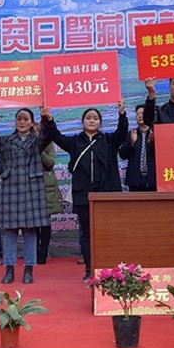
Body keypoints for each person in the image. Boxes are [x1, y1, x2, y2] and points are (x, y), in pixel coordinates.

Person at [42, 101, 128, 281]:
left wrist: (122, 114)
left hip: (106, 194)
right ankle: (89, 269)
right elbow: (57, 137)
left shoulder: (109, 140)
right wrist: (49, 119)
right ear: (83, 121)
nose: (92, 121)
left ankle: (110, 268)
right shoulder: (75, 141)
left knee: (107, 232)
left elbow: (122, 133)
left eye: (95, 118)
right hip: (83, 194)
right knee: (87, 232)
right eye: (88, 118)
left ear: (100, 122)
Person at [0, 104, 50, 285]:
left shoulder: (36, 141)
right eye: (19, 119)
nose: (22, 122)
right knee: (10, 233)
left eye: (26, 119)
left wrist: (46, 118)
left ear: (32, 123)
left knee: (30, 232)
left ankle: (28, 270)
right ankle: (9, 270)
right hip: (11, 190)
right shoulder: (6, 141)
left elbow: (47, 135)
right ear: (15, 122)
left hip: (31, 190)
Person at [37, 139, 63, 264]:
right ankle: (33, 252)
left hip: (46, 187)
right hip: (30, 185)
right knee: (32, 224)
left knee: (45, 222)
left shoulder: (47, 143)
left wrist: (39, 149)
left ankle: (43, 253)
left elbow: (50, 163)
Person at [119, 104, 157, 192]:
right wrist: (132, 142)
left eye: (143, 113)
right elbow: (122, 155)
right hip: (135, 181)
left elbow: (163, 155)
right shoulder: (131, 133)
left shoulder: (155, 133)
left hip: (153, 180)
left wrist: (152, 143)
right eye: (137, 114)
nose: (140, 116)